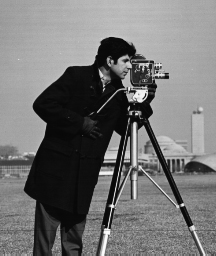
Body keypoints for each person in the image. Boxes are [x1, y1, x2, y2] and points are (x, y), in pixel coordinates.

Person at [24, 37, 156, 255]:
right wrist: (79, 123)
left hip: (83, 177)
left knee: (74, 243)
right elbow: (42, 104)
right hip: (55, 172)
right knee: (43, 245)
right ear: (109, 60)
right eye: (125, 61)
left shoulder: (118, 92)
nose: (129, 66)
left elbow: (126, 129)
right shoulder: (76, 75)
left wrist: (146, 100)